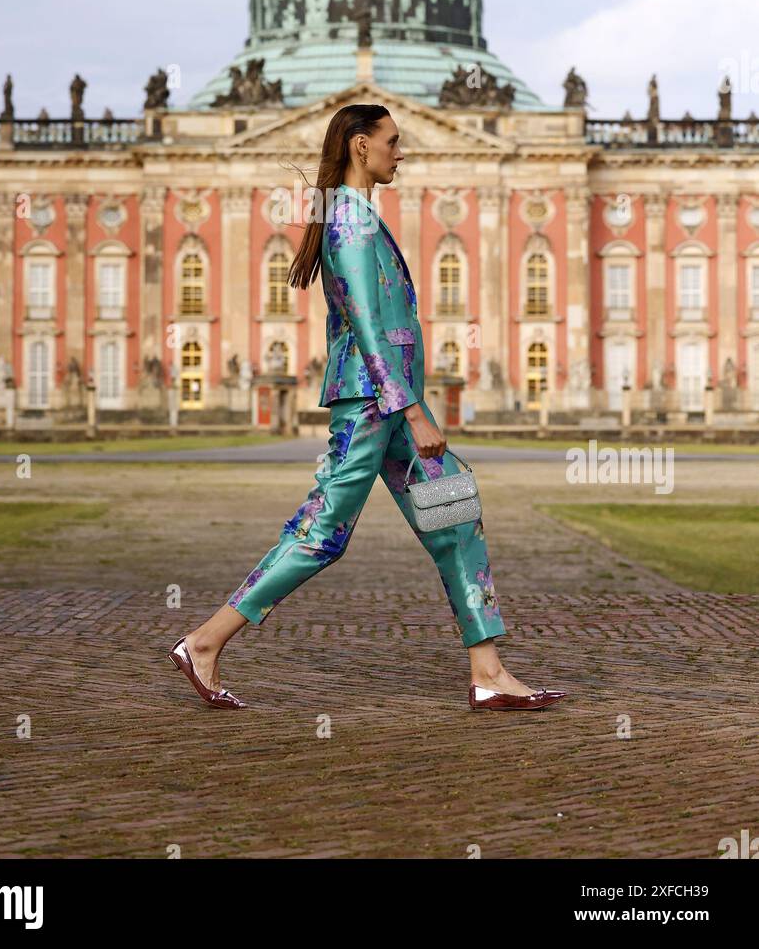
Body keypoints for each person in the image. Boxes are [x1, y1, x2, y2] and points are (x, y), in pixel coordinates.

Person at [169, 103, 567, 712]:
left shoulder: (357, 215)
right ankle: (203, 641)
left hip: (390, 398)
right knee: (325, 529)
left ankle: (489, 673)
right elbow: (366, 321)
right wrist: (410, 409)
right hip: (373, 401)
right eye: (393, 141)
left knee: (454, 510)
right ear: (361, 145)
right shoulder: (348, 220)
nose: (400, 152)